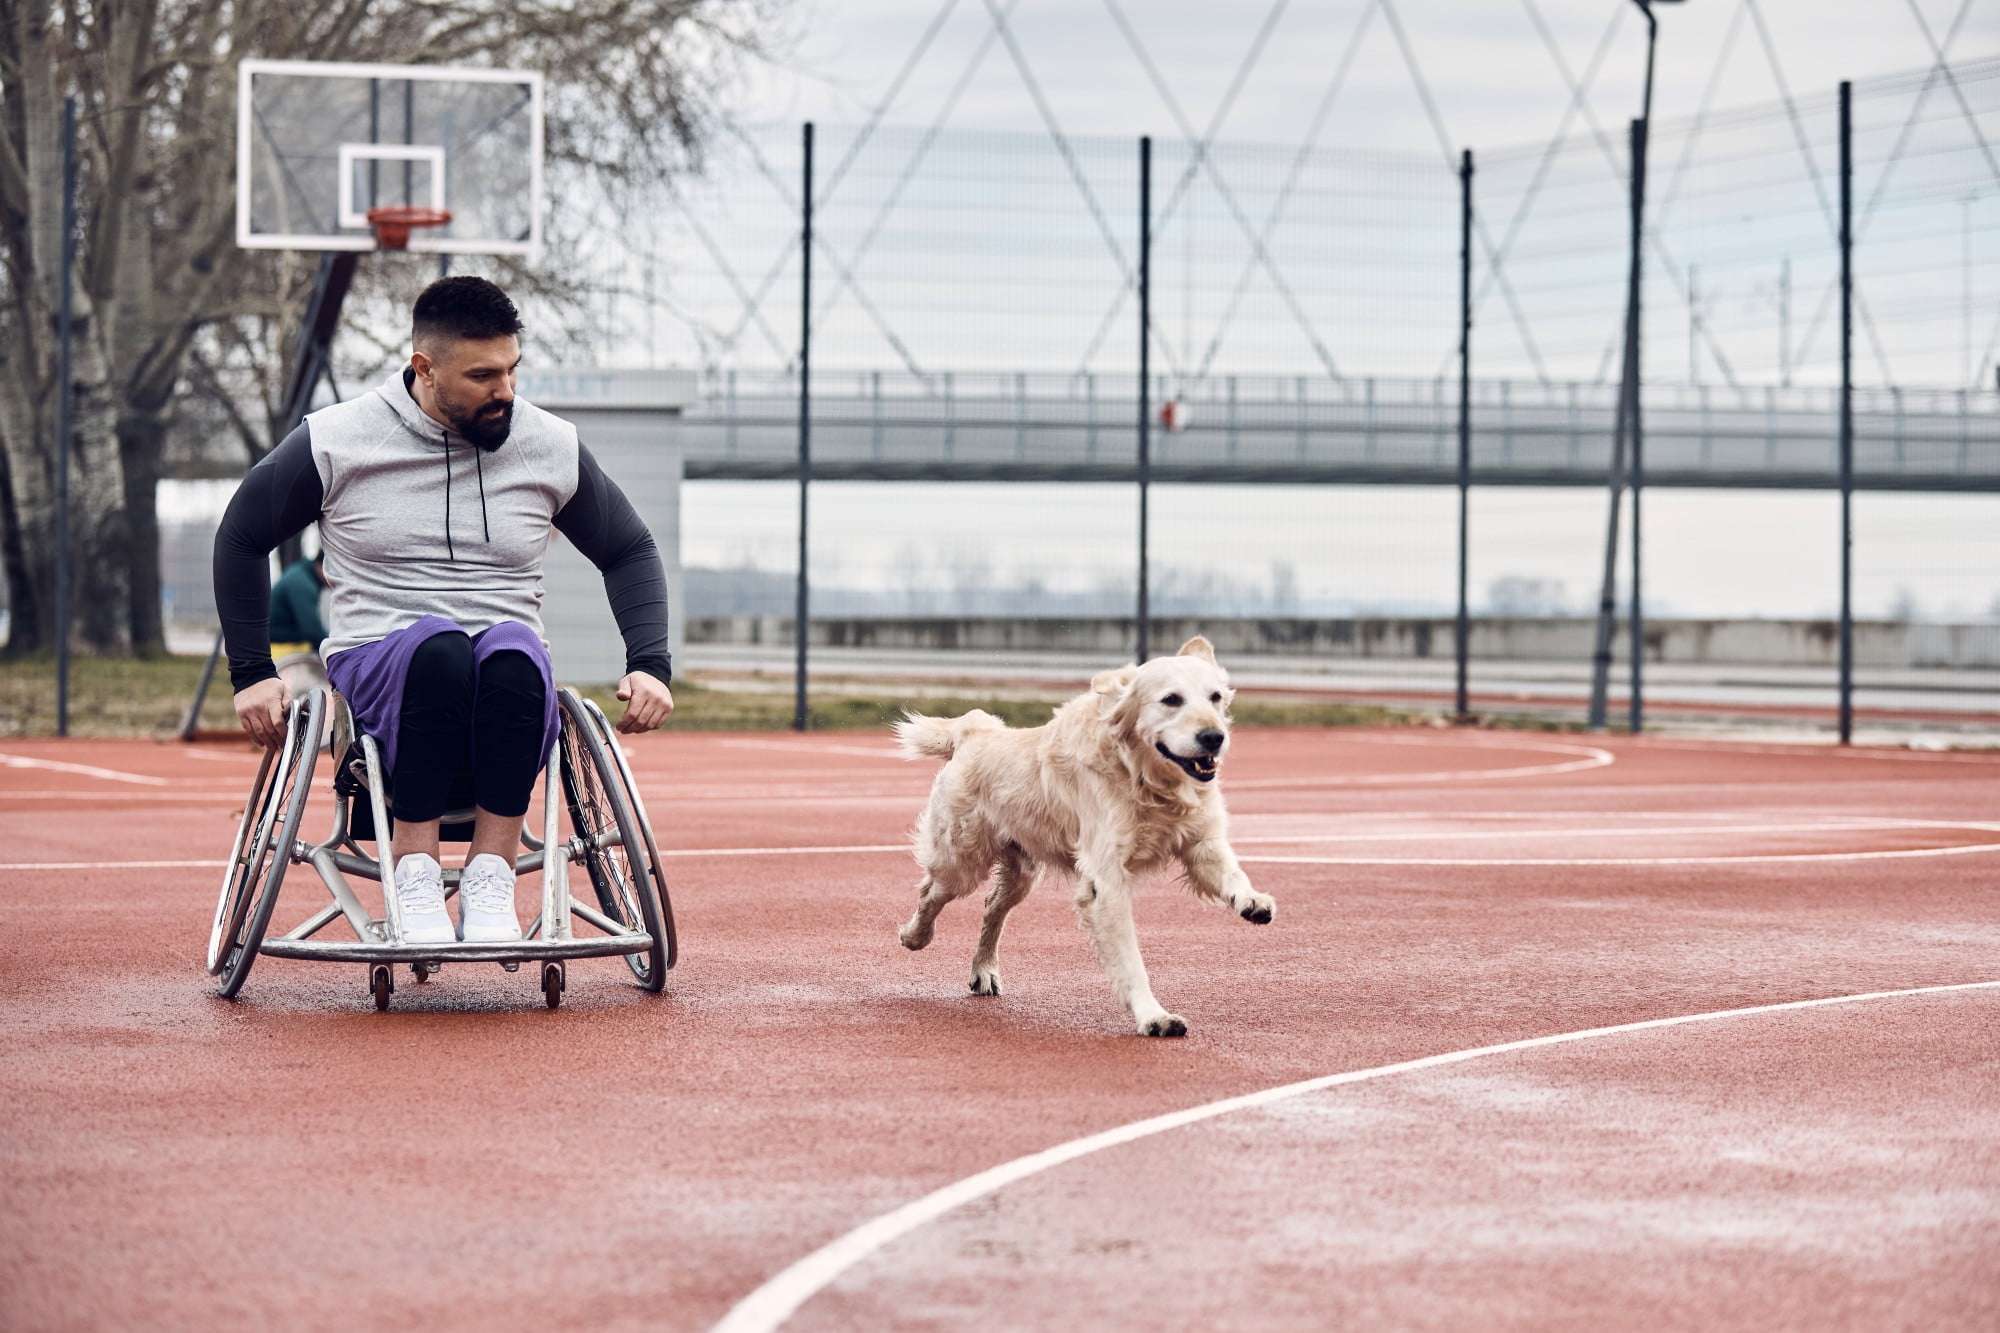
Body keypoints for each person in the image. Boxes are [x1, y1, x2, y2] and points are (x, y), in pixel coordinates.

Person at [214, 276, 674, 946]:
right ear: (424, 370)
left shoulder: (548, 444)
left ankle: (492, 875)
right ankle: (416, 869)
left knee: (515, 651)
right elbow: (241, 534)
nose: (506, 392)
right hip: (380, 654)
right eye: (483, 375)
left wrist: (651, 663)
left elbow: (629, 547)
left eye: (513, 370)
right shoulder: (339, 439)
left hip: (506, 665)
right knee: (439, 646)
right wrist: (252, 671)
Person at [267, 551, 329, 698]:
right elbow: (312, 631)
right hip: (281, 650)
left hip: (285, 645)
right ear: (324, 567)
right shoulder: (302, 584)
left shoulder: (302, 575)